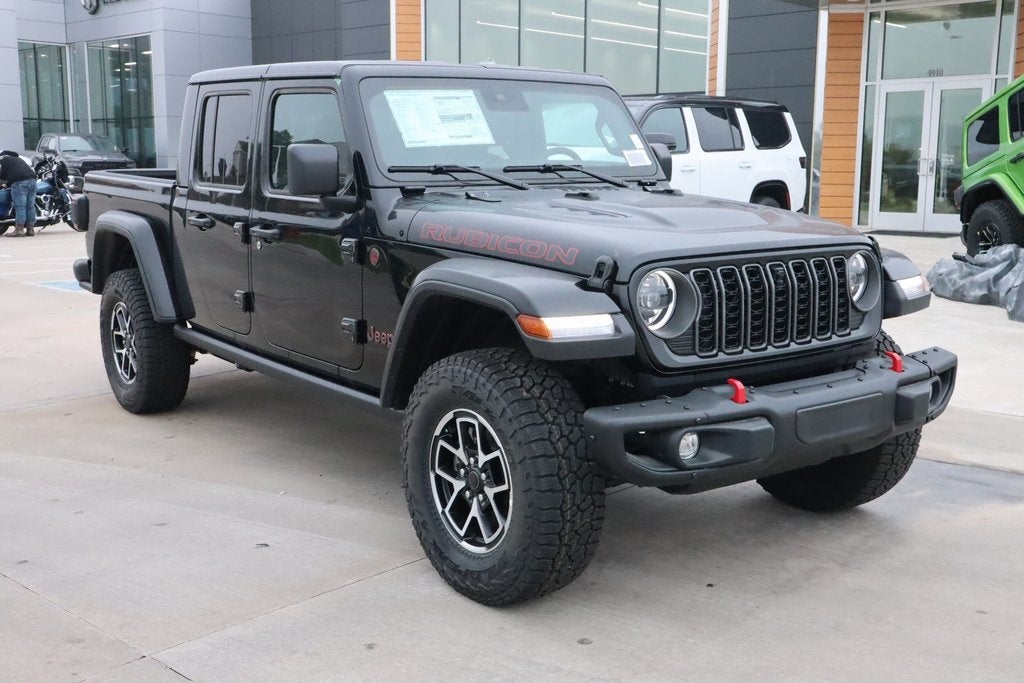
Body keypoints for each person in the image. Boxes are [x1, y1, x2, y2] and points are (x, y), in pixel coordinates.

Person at [0, 150, 37, 237]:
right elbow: (12, 173)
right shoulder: (17, 159)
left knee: (20, 207)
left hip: (20, 183)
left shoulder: (1, 160)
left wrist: (3, 183)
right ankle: (30, 229)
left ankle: (19, 230)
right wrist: (7, 183)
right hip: (33, 181)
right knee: (30, 206)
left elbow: (4, 175)